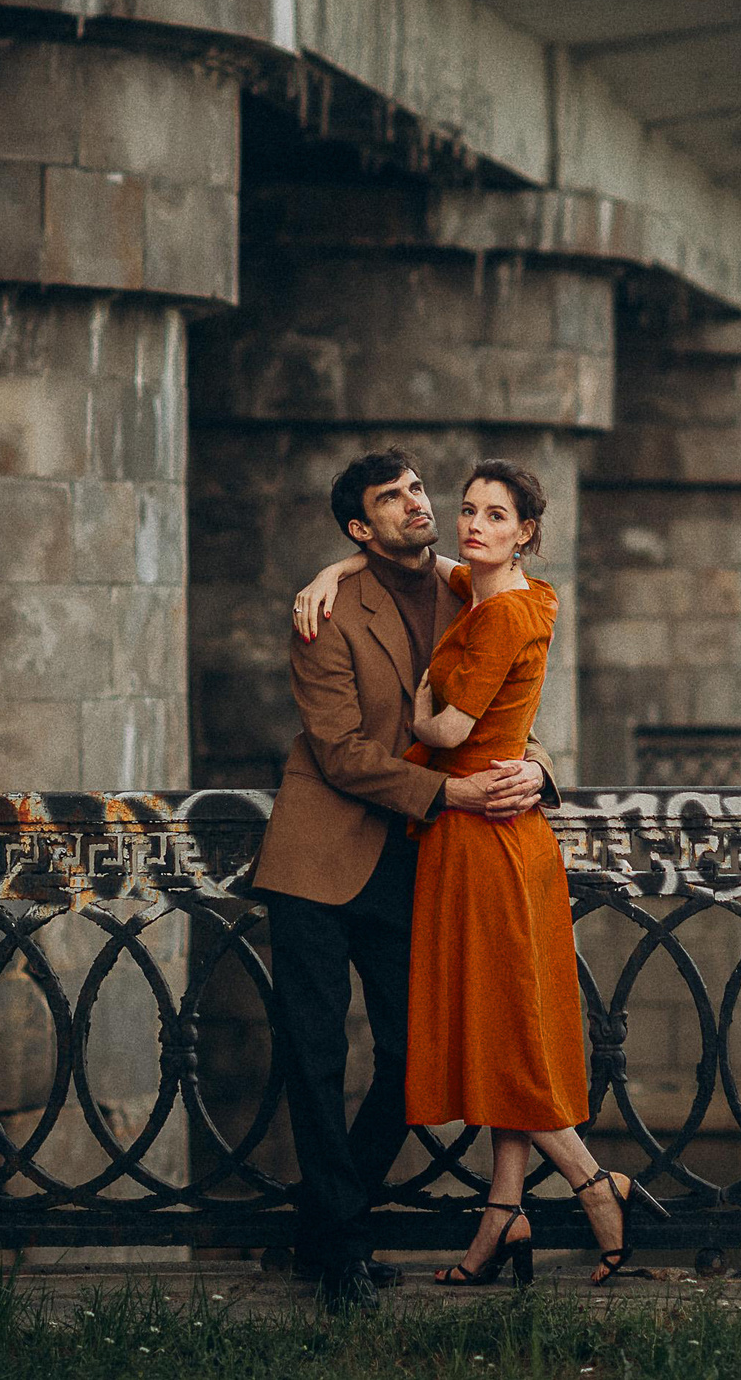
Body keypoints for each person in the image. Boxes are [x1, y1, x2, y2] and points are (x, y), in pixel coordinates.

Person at [294, 460, 664, 1290]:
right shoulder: (358, 605)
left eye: (487, 513)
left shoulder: (482, 602)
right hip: (386, 842)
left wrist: (522, 760)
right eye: (460, 507)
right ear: (362, 528)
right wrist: (335, 569)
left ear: (523, 529)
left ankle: (559, 1190)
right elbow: (346, 743)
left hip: (453, 841)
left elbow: (479, 720)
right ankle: (428, 1227)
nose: (452, 517)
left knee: (460, 1041)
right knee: (411, 1044)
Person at [247, 450, 554, 1313]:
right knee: (315, 1060)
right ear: (359, 527)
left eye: (421, 489)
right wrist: (452, 791)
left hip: (413, 860)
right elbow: (341, 753)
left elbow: (508, 701)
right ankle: (342, 1251)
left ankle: (323, 1224)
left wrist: (539, 769)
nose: (419, 504)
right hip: (319, 854)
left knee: (411, 1058)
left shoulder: (469, 588)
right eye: (394, 498)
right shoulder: (326, 612)